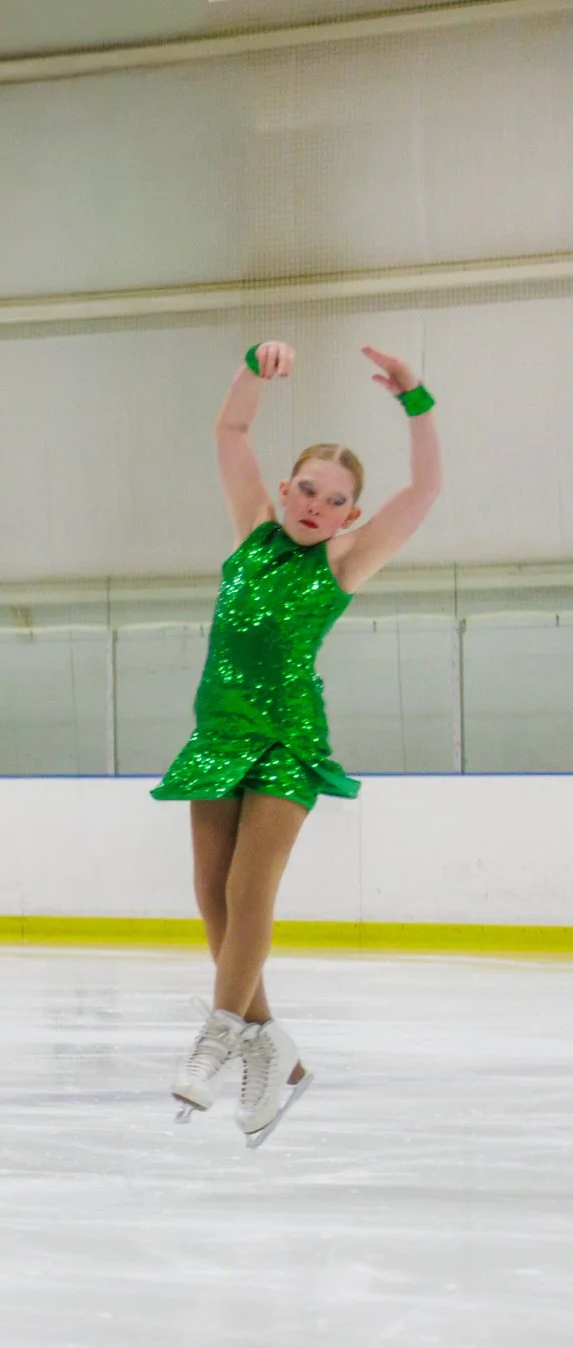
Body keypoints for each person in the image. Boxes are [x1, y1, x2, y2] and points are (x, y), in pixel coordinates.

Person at [156, 343, 442, 1145]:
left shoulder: (346, 560)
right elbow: (230, 429)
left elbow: (425, 489)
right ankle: (271, 1044)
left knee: (251, 891)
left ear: (352, 515)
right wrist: (250, 364)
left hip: (286, 739)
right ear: (284, 490)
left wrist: (415, 399)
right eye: (308, 488)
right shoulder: (251, 528)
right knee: (210, 895)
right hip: (217, 731)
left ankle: (222, 1031)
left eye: (337, 499)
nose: (318, 505)